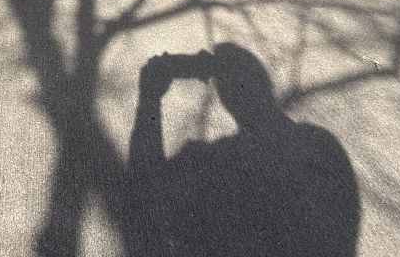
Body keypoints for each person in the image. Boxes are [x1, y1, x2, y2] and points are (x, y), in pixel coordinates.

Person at [126, 44, 361, 256]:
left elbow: (144, 191)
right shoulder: (320, 144)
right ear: (264, 84)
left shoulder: (219, 161)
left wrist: (150, 98)